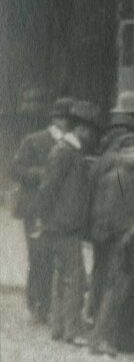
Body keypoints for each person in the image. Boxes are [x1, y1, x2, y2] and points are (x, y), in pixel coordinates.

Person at [38, 99, 101, 345]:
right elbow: (49, 188)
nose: (92, 136)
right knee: (75, 277)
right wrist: (44, 218)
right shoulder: (65, 152)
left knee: (62, 275)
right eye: (90, 131)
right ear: (81, 129)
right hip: (65, 225)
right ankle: (71, 330)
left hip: (62, 224)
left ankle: (59, 327)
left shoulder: (69, 151)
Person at [11, 95, 72, 322]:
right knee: (38, 256)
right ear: (57, 119)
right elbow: (15, 168)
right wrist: (39, 174)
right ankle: (37, 303)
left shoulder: (72, 145)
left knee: (54, 256)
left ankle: (48, 305)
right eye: (66, 119)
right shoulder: (34, 140)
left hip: (59, 208)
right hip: (36, 208)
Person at [89, 131, 134, 356]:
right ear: (120, 154)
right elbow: (116, 211)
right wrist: (128, 232)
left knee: (117, 290)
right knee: (115, 291)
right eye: (128, 151)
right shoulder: (120, 178)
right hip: (121, 240)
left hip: (124, 238)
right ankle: (100, 338)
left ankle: (105, 338)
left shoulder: (131, 176)